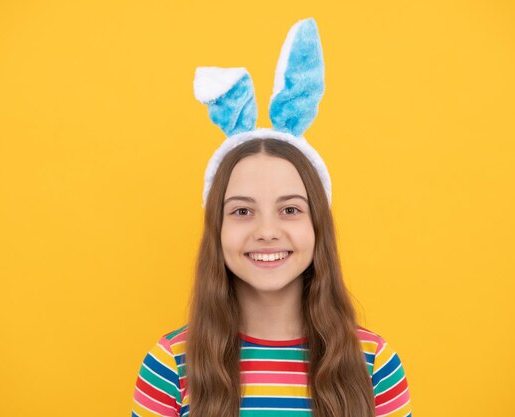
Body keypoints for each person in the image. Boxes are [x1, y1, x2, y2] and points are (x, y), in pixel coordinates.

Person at [132, 18, 412, 417]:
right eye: (242, 211)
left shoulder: (374, 365)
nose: (266, 231)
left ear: (318, 227)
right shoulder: (170, 366)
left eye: (290, 210)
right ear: (217, 229)